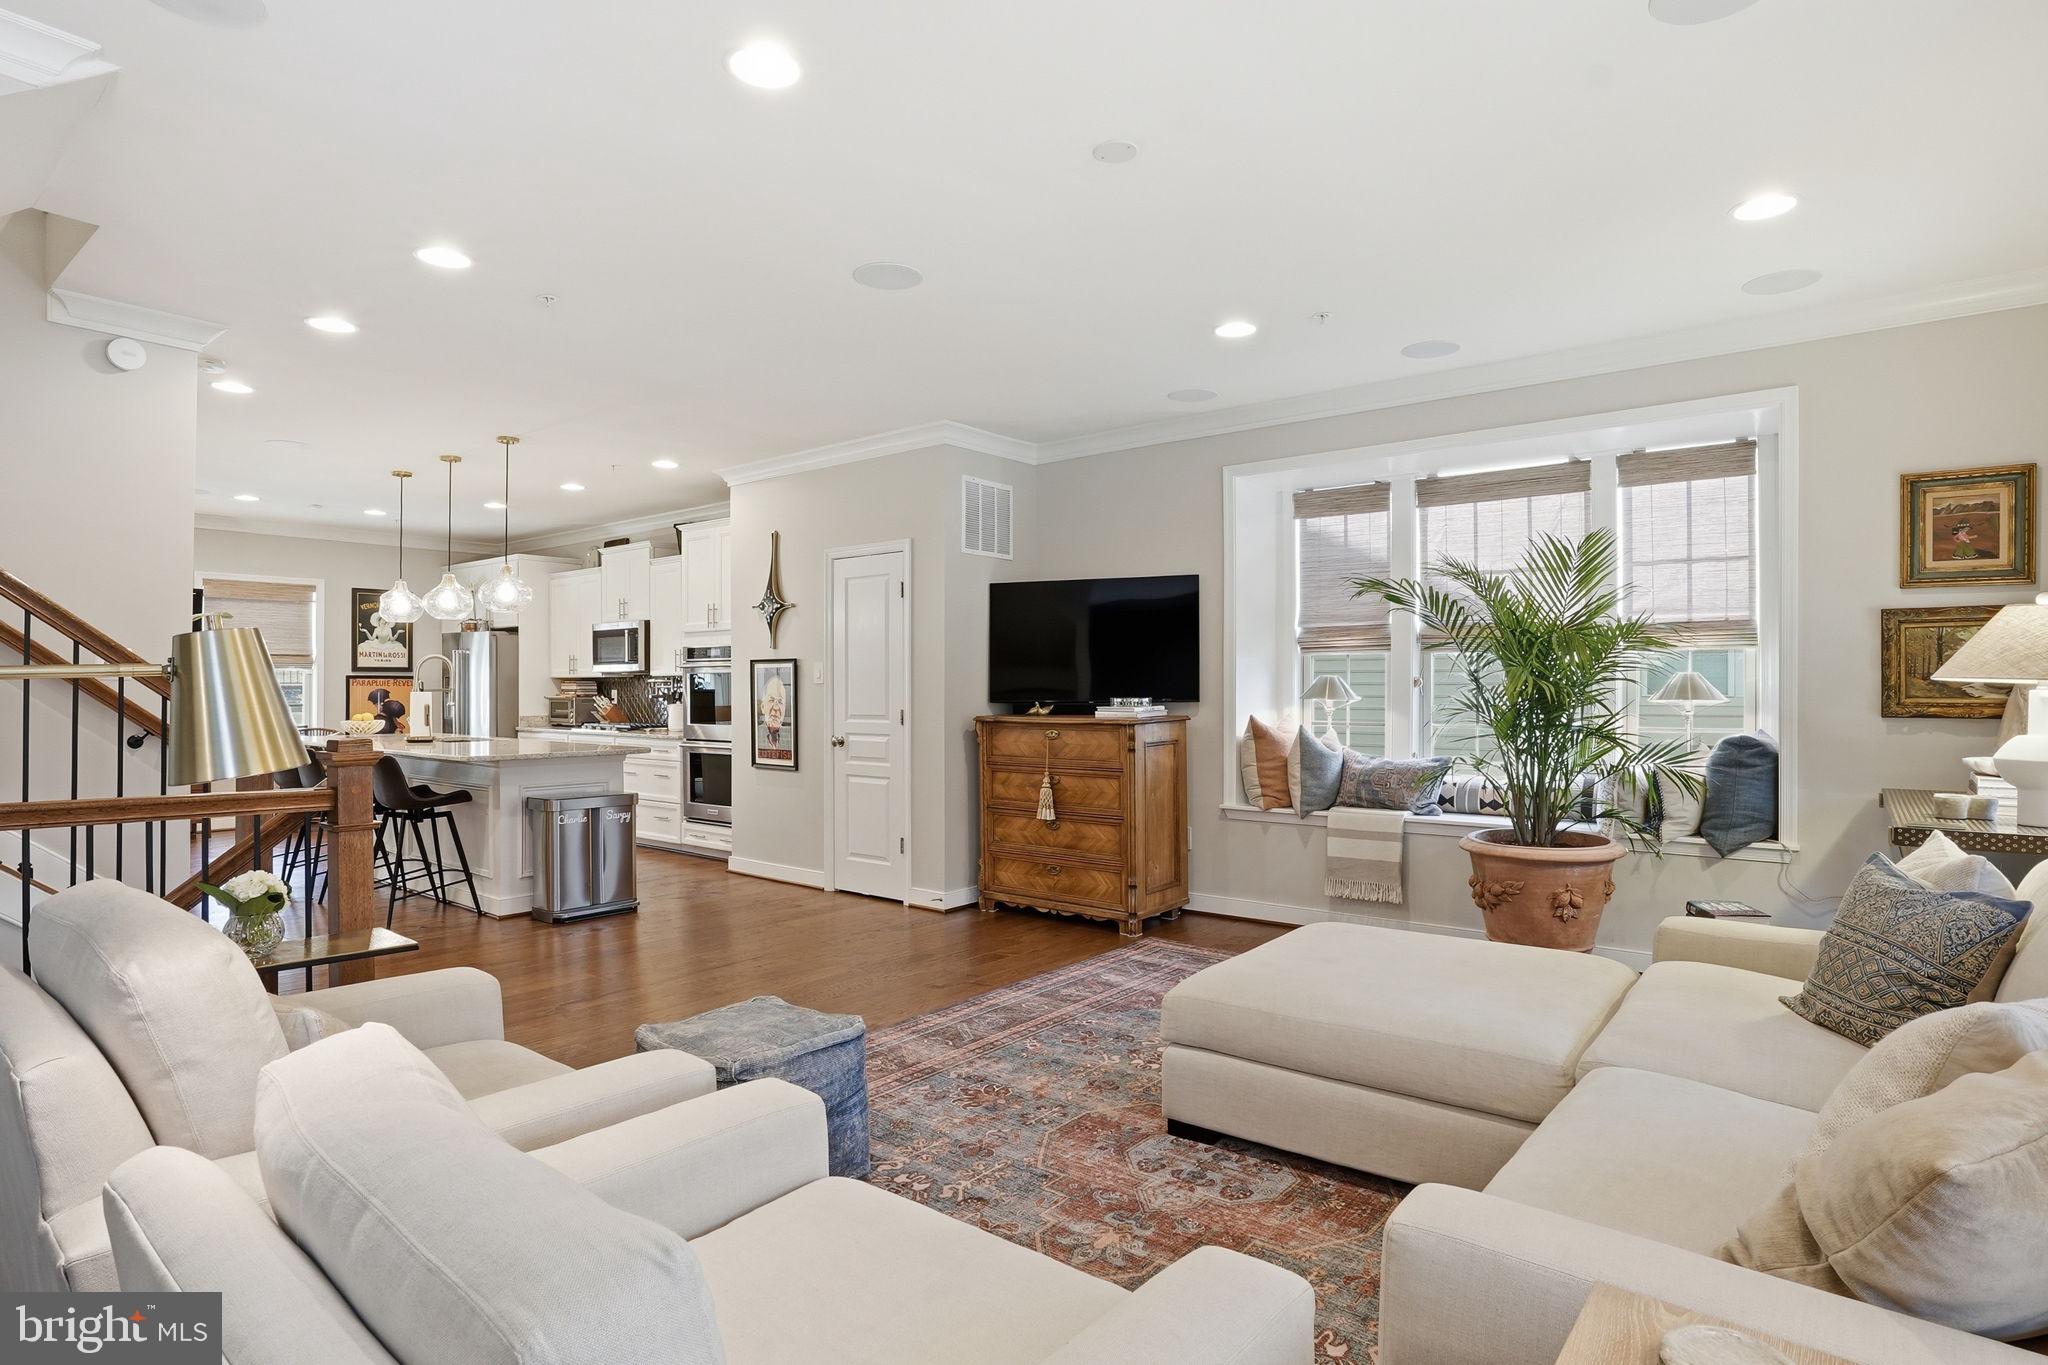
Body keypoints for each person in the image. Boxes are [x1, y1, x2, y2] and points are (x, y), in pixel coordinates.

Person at [756, 672, 792, 763]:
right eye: (771, 700)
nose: (776, 707)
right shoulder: (755, 736)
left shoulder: (791, 736)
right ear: (763, 707)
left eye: (780, 702)